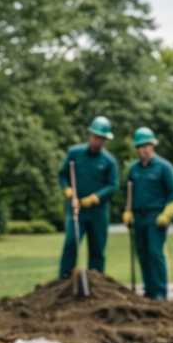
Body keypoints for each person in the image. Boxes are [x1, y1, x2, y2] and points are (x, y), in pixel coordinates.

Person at [122, 126, 173, 300]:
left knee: (155, 253)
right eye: (140, 146)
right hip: (138, 217)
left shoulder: (164, 167)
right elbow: (128, 195)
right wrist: (128, 212)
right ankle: (148, 291)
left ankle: (160, 293)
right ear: (136, 149)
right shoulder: (133, 170)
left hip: (156, 218)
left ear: (153, 146)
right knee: (142, 254)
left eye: (147, 145)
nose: (144, 149)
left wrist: (167, 215)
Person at [58, 115, 119, 280]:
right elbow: (62, 175)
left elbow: (113, 185)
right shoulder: (74, 153)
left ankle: (97, 281)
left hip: (98, 212)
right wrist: (67, 190)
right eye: (96, 137)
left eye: (102, 139)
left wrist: (95, 198)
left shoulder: (109, 161)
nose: (98, 141)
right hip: (76, 209)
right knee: (71, 243)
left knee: (97, 249)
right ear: (90, 135)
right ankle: (64, 280)